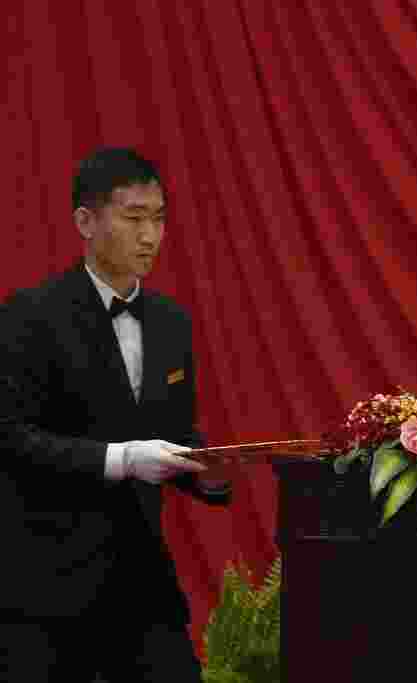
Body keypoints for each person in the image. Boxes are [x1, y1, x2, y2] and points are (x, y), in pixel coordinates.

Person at [0, 147, 232, 682]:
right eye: (132, 218)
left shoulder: (172, 322)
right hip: (46, 583)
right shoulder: (32, 316)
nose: (149, 235)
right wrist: (122, 459)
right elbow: (12, 439)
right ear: (85, 221)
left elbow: (172, 433)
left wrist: (209, 473)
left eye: (158, 218)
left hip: (140, 579)